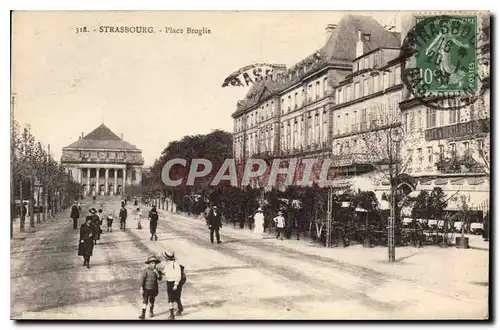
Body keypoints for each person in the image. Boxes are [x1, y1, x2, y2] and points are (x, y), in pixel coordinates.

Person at [160, 251, 184, 320]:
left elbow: (178, 276)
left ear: (167, 258)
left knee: (177, 297)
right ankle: (172, 315)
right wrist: (160, 272)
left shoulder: (176, 265)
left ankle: (180, 308)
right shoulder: (167, 265)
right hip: (169, 282)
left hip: (176, 283)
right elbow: (165, 273)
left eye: (165, 258)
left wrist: (176, 284)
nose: (164, 259)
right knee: (170, 298)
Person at [138, 255, 163, 320]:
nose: (153, 264)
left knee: (152, 301)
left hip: (153, 289)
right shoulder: (145, 271)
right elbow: (142, 280)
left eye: (155, 263)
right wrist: (141, 288)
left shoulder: (156, 270)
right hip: (146, 288)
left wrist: (157, 273)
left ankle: (151, 311)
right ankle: (143, 314)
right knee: (145, 302)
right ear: (148, 264)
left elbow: (160, 278)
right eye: (152, 263)